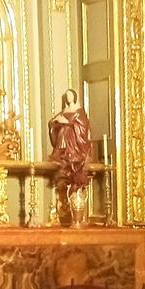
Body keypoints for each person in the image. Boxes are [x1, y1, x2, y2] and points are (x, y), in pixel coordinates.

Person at [47, 88, 93, 225]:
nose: (68, 98)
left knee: (66, 129)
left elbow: (83, 126)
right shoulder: (65, 110)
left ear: (74, 97)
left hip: (75, 143)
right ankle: (61, 151)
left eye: (70, 96)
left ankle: (68, 152)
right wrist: (56, 122)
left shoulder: (78, 111)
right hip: (65, 139)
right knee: (62, 131)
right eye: (66, 96)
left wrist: (66, 123)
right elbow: (53, 122)